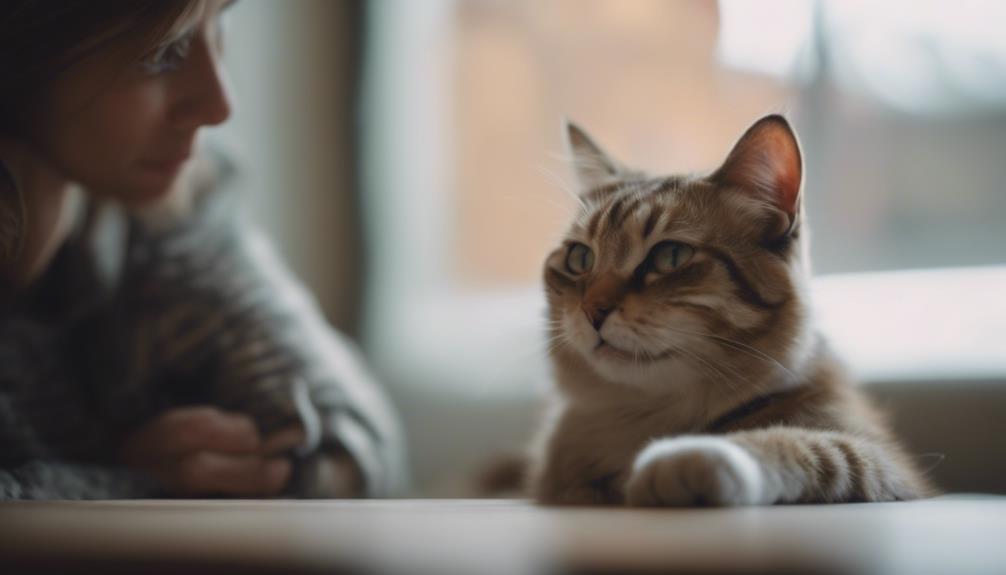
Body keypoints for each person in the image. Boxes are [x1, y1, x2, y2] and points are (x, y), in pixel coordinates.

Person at [0, 0, 406, 499]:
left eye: (221, 22)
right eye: (162, 51)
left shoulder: (170, 204)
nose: (220, 105)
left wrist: (278, 471)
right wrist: (142, 492)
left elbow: (360, 443)